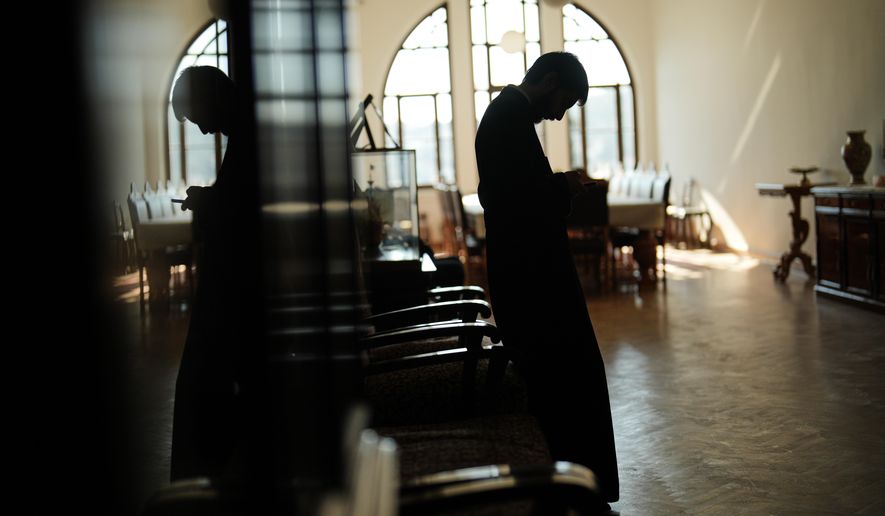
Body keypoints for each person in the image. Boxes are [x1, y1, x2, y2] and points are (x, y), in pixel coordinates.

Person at [475, 52, 619, 503]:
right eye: (564, 101)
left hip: (526, 269)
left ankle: (566, 476)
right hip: (535, 276)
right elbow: (517, 201)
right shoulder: (511, 116)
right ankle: (574, 480)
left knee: (560, 374)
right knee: (568, 372)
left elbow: (508, 191)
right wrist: (563, 186)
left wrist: (555, 185)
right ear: (549, 80)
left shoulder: (508, 114)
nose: (559, 114)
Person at [169, 66, 258, 481]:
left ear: (211, 99)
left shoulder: (250, 137)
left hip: (237, 290)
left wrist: (208, 204)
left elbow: (245, 216)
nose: (203, 130)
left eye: (198, 116)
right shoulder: (250, 132)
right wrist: (211, 200)